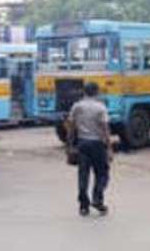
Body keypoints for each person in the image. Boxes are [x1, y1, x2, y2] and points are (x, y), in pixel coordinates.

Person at [67, 82, 113, 217]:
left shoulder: (77, 106)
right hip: (98, 145)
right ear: (97, 92)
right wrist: (109, 148)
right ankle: (97, 199)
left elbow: (71, 127)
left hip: (82, 143)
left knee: (83, 175)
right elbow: (105, 129)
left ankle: (83, 206)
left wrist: (69, 146)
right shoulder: (100, 107)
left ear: (84, 92)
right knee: (102, 174)